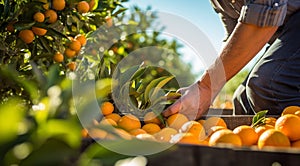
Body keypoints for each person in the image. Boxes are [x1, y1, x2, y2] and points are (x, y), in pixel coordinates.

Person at [163, 0, 300, 119]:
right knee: (242, 99)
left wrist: (206, 87)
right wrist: (207, 86)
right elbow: (233, 38)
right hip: (287, 34)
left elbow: (266, 12)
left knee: (269, 85)